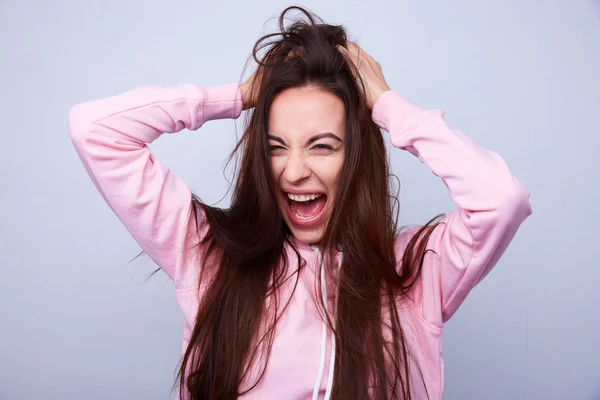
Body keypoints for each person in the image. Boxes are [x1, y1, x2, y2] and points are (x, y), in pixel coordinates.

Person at [67, 6, 532, 400]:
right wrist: (240, 96)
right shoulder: (208, 253)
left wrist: (387, 106)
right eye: (276, 146)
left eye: (322, 146)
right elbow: (96, 131)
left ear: (357, 154)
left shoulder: (415, 272)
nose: (293, 171)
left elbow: (500, 198)